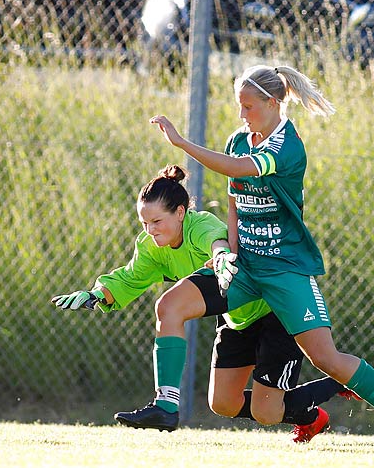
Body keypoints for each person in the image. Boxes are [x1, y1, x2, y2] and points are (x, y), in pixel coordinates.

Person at [146, 64, 374, 449]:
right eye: (239, 106)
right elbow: (234, 202)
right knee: (172, 306)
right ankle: (165, 406)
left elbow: (240, 169)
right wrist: (230, 254)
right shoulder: (239, 139)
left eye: (248, 106)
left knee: (326, 359)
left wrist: (183, 144)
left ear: (271, 103)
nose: (242, 114)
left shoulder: (286, 146)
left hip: (285, 271)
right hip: (247, 267)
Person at [52, 165, 334, 440]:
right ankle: (311, 417)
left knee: (266, 410)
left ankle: (341, 381)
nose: (150, 230)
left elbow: (218, 242)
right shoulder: (151, 246)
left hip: (272, 311)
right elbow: (129, 278)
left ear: (180, 213)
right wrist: (96, 294)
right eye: (144, 223)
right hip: (236, 318)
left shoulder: (200, 225)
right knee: (223, 404)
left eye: (157, 222)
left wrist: (222, 256)